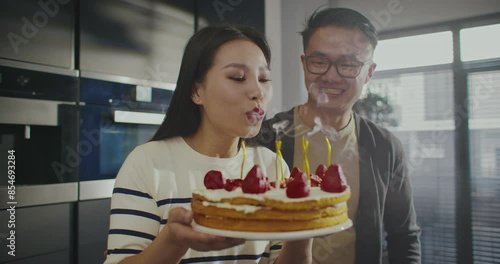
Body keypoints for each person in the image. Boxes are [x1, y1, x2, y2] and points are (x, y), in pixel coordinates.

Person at [104, 25, 312, 264]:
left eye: (264, 79)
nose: (258, 91)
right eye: (237, 77)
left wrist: (305, 232)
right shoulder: (147, 163)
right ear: (196, 91)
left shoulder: (272, 167)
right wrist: (173, 241)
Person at [251, 7, 421, 264]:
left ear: (369, 73)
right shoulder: (264, 137)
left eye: (348, 64)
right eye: (319, 61)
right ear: (304, 64)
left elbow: (404, 238)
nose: (331, 75)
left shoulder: (384, 147)